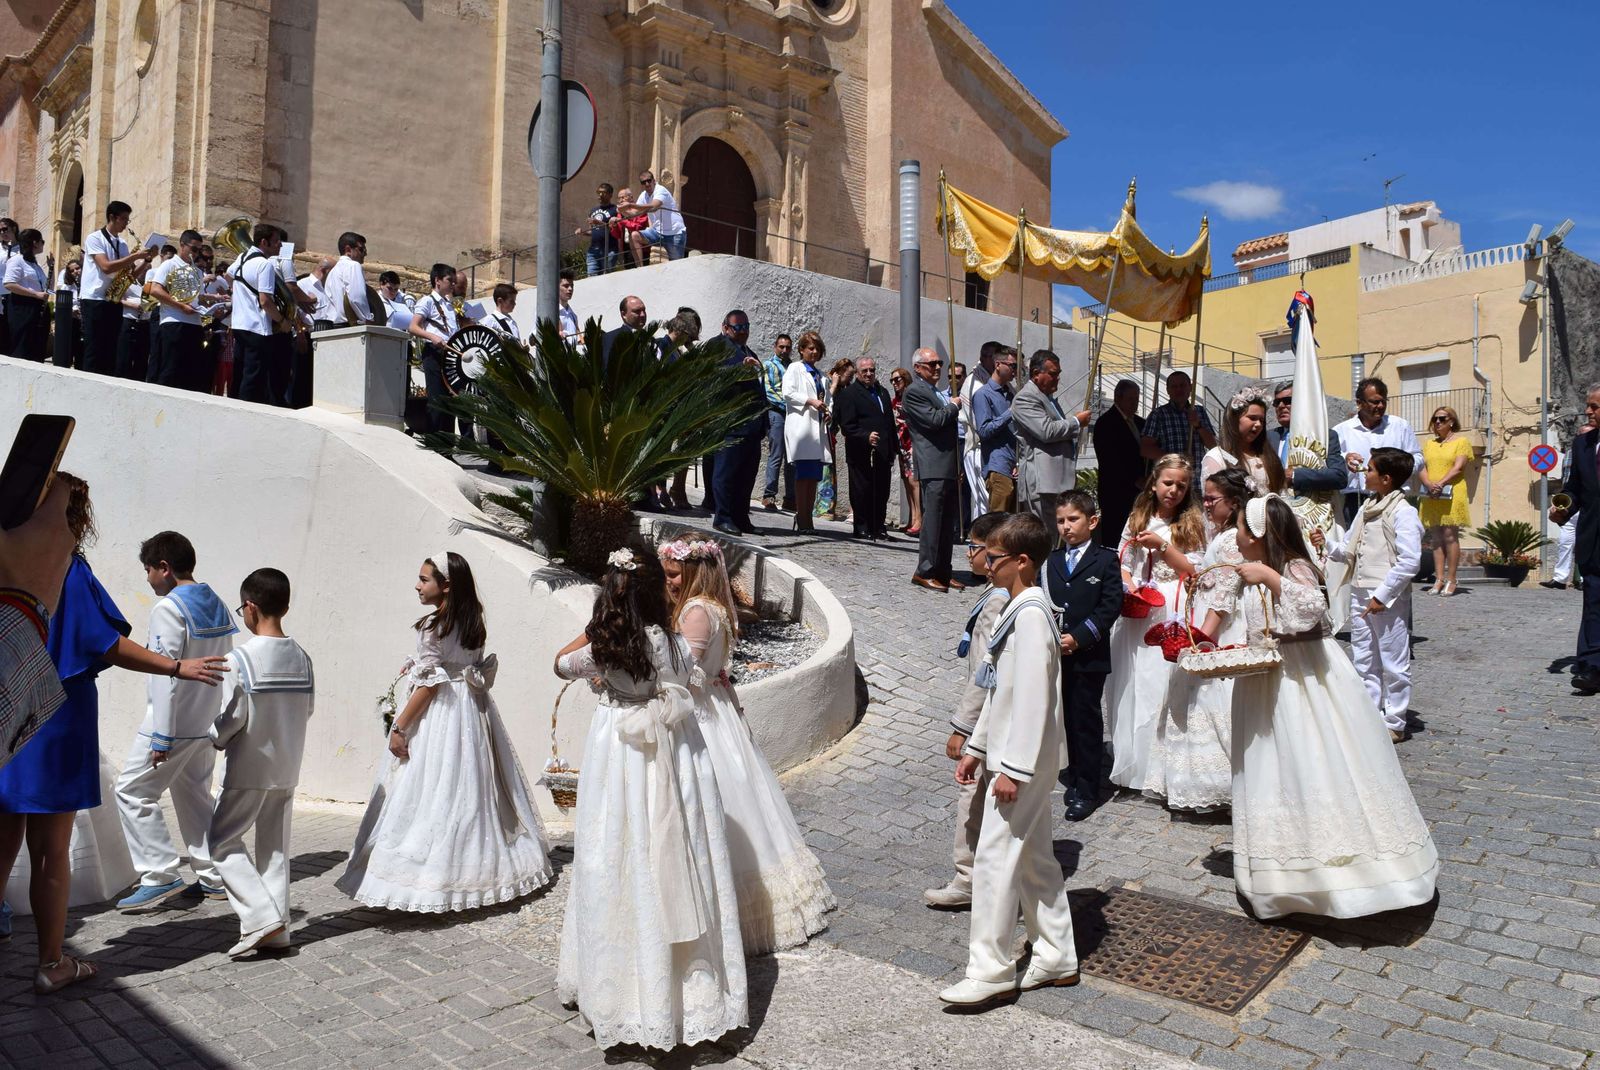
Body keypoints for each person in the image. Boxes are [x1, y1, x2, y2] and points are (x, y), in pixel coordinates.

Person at [1, 477, 223, 993]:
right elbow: (102, 642)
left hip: (8, 703)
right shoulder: (65, 567)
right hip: (55, 714)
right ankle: (53, 961)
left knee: (3, 837)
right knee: (50, 850)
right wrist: (175, 667)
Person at [552, 549, 746, 1049]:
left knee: (619, 851)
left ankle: (623, 990)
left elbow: (559, 665)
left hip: (622, 753)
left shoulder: (605, 649)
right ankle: (690, 995)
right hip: (676, 753)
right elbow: (690, 678)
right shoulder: (677, 644)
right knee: (680, 853)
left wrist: (596, 629)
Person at [1231, 495, 1439, 919]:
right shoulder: (1249, 575)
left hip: (1305, 682)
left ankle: (1346, 873)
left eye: (1239, 527)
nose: (1233, 535)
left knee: (1315, 763)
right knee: (1277, 771)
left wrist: (1270, 576)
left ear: (1258, 535)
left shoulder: (1293, 568)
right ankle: (1283, 875)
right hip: (1267, 680)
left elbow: (1313, 608)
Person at [339, 552, 552, 910]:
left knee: (431, 790)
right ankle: (475, 870)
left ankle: (429, 879)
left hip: (440, 716)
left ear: (446, 586)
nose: (418, 585)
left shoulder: (432, 626)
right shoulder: (473, 622)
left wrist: (401, 727)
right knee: (469, 790)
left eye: (425, 579)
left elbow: (430, 686)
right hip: (470, 713)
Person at [660, 536, 835, 950]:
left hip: (701, 717)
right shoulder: (713, 607)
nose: (666, 582)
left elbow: (683, 675)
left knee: (713, 803)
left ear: (693, 572)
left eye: (672, 574)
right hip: (718, 709)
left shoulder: (696, 612)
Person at [942, 513, 1080, 1006]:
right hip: (1007, 753)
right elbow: (999, 689)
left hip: (1020, 760)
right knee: (1035, 858)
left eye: (994, 558)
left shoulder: (1030, 616)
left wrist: (1013, 770)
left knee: (995, 861)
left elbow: (1033, 701)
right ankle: (1057, 954)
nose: (985, 565)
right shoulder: (1018, 607)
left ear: (1022, 561)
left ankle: (991, 969)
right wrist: (978, 746)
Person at [114, 531, 238, 911]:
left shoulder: (168, 608)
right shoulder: (215, 601)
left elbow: (165, 674)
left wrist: (161, 736)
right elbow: (227, 664)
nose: (147, 578)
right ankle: (214, 876)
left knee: (132, 791)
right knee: (195, 797)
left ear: (164, 568)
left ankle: (159, 873)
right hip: (205, 721)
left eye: (148, 570)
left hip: (171, 723)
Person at [207, 567, 313, 958]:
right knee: (276, 849)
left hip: (249, 768)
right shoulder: (303, 658)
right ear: (284, 606)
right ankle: (278, 931)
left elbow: (233, 718)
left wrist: (214, 736)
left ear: (250, 607)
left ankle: (259, 917)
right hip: (287, 766)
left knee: (220, 841)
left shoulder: (240, 659)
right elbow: (309, 709)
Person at [1144, 467, 1252, 814]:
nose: (1204, 504)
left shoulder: (1231, 539)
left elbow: (1223, 596)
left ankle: (1221, 782)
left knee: (1211, 700)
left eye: (1212, 498)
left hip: (1218, 627)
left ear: (1233, 503)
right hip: (1206, 614)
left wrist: (1202, 639)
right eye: (1203, 496)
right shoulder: (1220, 535)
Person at [925, 512, 1010, 909]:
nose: (970, 555)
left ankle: (968, 877)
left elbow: (984, 672)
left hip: (987, 720)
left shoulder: (999, 601)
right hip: (995, 718)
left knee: (972, 798)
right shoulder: (1000, 592)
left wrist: (962, 728)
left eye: (974, 548)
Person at [1104, 454, 1204, 792]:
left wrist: (1162, 546)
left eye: (1181, 485)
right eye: (1168, 483)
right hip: (1142, 606)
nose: (1173, 490)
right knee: (1134, 683)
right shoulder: (1138, 516)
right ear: (1154, 482)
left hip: (1172, 605)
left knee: (1160, 684)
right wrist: (1130, 585)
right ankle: (1135, 759)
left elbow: (1192, 571)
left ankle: (1161, 763)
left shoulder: (1191, 523)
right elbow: (1124, 559)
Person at [1322, 448, 1424, 741]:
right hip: (1360, 591)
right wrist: (1325, 543)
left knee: (1393, 659)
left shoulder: (1403, 512)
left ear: (1386, 478)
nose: (1364, 473)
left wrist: (1383, 595)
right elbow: (1347, 548)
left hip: (1386, 596)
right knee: (1364, 656)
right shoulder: (1368, 508)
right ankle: (1368, 713)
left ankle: (1395, 720)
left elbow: (1409, 561)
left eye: (1370, 469)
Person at [1039, 492, 1123, 822]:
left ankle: (1088, 789)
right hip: (1057, 653)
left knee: (1085, 720)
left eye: (1073, 519)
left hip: (1088, 655)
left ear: (1092, 521)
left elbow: (1110, 605)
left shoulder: (1105, 560)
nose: (1066, 527)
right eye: (1060, 521)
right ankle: (1073, 776)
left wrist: (1079, 637)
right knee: (1064, 719)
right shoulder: (1052, 562)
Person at [1011, 350, 1091, 540]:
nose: (1057, 378)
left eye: (1058, 373)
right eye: (1053, 373)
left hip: (1055, 481)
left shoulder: (1047, 398)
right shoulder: (1025, 399)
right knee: (1043, 537)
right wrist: (1076, 422)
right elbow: (1045, 431)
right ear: (1036, 374)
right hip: (1042, 482)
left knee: (1055, 536)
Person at [903, 348, 965, 592]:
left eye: (939, 363)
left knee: (947, 521)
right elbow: (935, 420)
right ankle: (925, 570)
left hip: (947, 464)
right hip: (933, 464)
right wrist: (953, 406)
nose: (938, 368)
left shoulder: (934, 391)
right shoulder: (915, 391)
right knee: (933, 521)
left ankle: (942, 570)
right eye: (932, 364)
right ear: (918, 367)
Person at [1555, 385, 1600, 693]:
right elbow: (1575, 489)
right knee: (1594, 602)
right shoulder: (1582, 444)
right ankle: (1591, 666)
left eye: (1595, 406)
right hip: (1593, 537)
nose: (1588, 411)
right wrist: (1564, 505)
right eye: (1588, 405)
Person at [1333, 377, 1424, 526]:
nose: (1381, 406)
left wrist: (1399, 468)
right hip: (1355, 501)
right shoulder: (1341, 431)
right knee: (1355, 545)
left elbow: (1418, 457)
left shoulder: (1400, 426)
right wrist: (1345, 459)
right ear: (1359, 403)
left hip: (1393, 498)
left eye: (1384, 401)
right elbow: (1330, 460)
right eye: (1375, 402)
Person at [708, 310, 767, 538]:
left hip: (752, 425)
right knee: (726, 473)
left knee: (746, 475)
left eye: (746, 327)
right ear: (725, 328)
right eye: (737, 327)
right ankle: (723, 517)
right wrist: (739, 370)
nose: (743, 332)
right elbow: (713, 374)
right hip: (732, 423)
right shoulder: (718, 346)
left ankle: (741, 517)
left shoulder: (748, 352)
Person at [80, 201, 153, 376]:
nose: (126, 224)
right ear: (112, 217)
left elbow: (130, 277)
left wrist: (146, 261)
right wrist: (135, 255)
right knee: (94, 350)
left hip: (113, 300)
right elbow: (105, 267)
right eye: (124, 219)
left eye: (128, 220)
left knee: (111, 351)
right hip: (94, 299)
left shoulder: (121, 244)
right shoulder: (94, 238)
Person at [833, 356, 896, 539]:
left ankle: (878, 526)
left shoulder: (882, 392)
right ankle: (862, 526)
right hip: (860, 451)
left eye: (872, 370)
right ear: (858, 373)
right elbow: (847, 425)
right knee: (862, 490)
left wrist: (893, 447)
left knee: (881, 490)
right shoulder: (849, 394)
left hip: (882, 451)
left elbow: (889, 422)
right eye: (864, 371)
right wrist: (865, 436)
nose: (869, 374)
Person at [229, 222, 291, 405]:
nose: (280, 245)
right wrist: (282, 321)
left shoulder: (242, 257)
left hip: (239, 325)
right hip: (257, 329)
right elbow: (265, 301)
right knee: (253, 380)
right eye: (277, 241)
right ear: (264, 242)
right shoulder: (265, 265)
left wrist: (243, 297)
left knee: (239, 375)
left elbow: (228, 275)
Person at [1418, 405, 1473, 596]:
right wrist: (1429, 484)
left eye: (1442, 418)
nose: (1438, 422)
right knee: (1436, 537)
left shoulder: (1461, 442)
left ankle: (1452, 578)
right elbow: (1421, 466)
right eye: (1435, 419)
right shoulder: (1429, 444)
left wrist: (1440, 483)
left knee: (1450, 535)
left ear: (1452, 421)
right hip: (1432, 493)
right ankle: (1439, 578)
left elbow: (1459, 467)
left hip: (1452, 492)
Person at [1093, 379, 1155, 548]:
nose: (1134, 404)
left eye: (1137, 399)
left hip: (1140, 493)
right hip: (1116, 492)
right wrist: (1134, 479)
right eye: (1130, 399)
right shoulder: (1105, 424)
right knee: (1115, 536)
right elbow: (1110, 460)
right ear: (1118, 398)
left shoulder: (1141, 423)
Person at [1203, 389, 1287, 514]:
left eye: (1262, 420)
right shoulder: (1217, 457)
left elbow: (1282, 498)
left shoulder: (1269, 456)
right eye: (1252, 418)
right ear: (1235, 419)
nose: (1258, 424)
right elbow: (1215, 506)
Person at [145, 230, 209, 391]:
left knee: (191, 375)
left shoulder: (198, 271)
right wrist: (181, 306)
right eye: (193, 249)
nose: (196, 254)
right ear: (182, 245)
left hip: (194, 324)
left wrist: (215, 301)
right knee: (170, 371)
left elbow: (197, 298)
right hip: (174, 322)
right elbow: (155, 290)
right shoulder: (170, 264)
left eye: (199, 250)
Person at [782, 330, 830, 532]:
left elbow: (828, 400)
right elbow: (788, 393)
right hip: (802, 429)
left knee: (814, 477)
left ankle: (807, 517)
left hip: (817, 431)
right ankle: (802, 518)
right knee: (803, 476)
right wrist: (810, 401)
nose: (814, 352)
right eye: (810, 348)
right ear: (801, 350)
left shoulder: (821, 376)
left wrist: (829, 412)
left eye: (818, 349)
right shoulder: (795, 368)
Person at [408, 263, 464, 435]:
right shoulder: (427, 301)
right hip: (434, 352)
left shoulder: (449, 305)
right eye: (450, 280)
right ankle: (434, 443)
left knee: (450, 402)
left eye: (454, 281)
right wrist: (432, 337)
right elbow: (413, 327)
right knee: (437, 400)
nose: (453, 284)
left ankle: (447, 447)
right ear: (437, 280)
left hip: (450, 355)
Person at [1140, 371, 1217, 487]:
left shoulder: (1199, 412)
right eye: (1174, 387)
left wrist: (1198, 425)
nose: (1178, 390)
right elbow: (1145, 448)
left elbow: (1212, 445)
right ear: (1168, 390)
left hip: (1197, 483)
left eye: (1182, 385)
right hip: (1172, 484)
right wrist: (1176, 459)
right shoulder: (1158, 415)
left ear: (1190, 388)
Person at [1267, 382, 1345, 493]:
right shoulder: (1268, 438)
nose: (1280, 406)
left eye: (1288, 401)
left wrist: (1294, 475)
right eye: (1277, 402)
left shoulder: (1325, 436)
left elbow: (1339, 476)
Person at [971, 348, 1018, 512]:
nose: (1015, 371)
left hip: (1013, 464)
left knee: (1013, 524)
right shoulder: (983, 394)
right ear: (998, 364)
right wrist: (1010, 413)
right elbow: (983, 431)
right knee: (998, 522)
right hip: (997, 465)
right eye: (1012, 366)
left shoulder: (1011, 394)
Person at [960, 343, 1001, 522]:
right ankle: (981, 543)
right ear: (985, 358)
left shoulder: (992, 380)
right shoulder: (974, 385)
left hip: (994, 448)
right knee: (983, 499)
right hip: (978, 447)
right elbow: (980, 424)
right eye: (996, 359)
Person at [2, 228, 51, 361]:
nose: (43, 244)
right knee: (22, 348)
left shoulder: (35, 264)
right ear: (35, 243)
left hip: (38, 309)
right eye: (42, 241)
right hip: (23, 308)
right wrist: (35, 294)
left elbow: (45, 287)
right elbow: (9, 284)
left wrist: (50, 267)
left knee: (37, 349)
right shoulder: (17, 260)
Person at [761, 333, 794, 511]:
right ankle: (769, 495)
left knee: (792, 457)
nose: (784, 350)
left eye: (788, 347)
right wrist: (790, 404)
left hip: (793, 415)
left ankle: (790, 498)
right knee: (776, 453)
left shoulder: (794, 367)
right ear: (775, 347)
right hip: (777, 413)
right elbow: (769, 391)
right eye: (781, 347)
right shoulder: (769, 366)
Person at [822, 357, 855, 524]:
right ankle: (822, 507)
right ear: (840, 372)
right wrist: (834, 386)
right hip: (821, 432)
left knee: (829, 471)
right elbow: (825, 402)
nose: (850, 380)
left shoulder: (845, 389)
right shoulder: (828, 382)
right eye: (849, 376)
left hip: (832, 434)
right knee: (824, 471)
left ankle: (828, 506)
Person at [890, 367, 922, 535]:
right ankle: (911, 518)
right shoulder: (895, 400)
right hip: (901, 445)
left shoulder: (911, 397)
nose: (895, 383)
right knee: (906, 482)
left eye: (898, 379)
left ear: (906, 380)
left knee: (914, 481)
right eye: (892, 380)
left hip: (912, 443)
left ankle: (919, 519)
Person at [324, 232, 374, 326]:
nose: (365, 253)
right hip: (349, 327)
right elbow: (357, 296)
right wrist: (367, 319)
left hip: (333, 327)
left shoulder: (332, 273)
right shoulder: (353, 265)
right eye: (361, 249)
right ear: (348, 250)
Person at [636, 169, 688, 261]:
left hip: (674, 233)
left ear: (654, 180)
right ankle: (639, 268)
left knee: (676, 264)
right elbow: (634, 212)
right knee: (635, 236)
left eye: (649, 180)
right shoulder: (644, 195)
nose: (647, 184)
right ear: (641, 185)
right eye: (644, 182)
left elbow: (654, 206)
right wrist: (618, 214)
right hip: (658, 232)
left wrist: (631, 205)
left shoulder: (660, 190)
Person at [576, 183, 620, 276]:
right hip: (593, 250)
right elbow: (592, 231)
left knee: (606, 278)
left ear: (610, 195)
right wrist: (582, 232)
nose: (600, 195)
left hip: (609, 250)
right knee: (591, 278)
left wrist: (598, 223)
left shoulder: (615, 209)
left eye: (603, 193)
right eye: (598, 192)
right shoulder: (593, 210)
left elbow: (616, 228)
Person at [599, 294, 646, 369]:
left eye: (644, 310)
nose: (643, 314)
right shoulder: (610, 338)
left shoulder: (649, 338)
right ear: (624, 314)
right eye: (637, 311)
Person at [951, 362, 972, 531]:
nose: (953, 380)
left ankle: (963, 525)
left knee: (964, 485)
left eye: (957, 377)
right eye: (950, 377)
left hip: (964, 439)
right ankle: (952, 523)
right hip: (949, 442)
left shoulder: (969, 396)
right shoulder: (943, 395)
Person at [611, 187, 652, 270]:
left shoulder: (639, 210)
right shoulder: (620, 215)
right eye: (619, 198)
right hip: (627, 250)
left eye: (623, 197)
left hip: (641, 249)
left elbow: (638, 227)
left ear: (631, 198)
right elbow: (617, 235)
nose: (621, 200)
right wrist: (614, 226)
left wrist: (622, 221)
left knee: (642, 273)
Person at [53, 257, 81, 368]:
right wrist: (72, 311)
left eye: (77, 268)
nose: (75, 272)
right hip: (69, 321)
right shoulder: (66, 286)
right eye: (72, 270)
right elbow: (61, 306)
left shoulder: (83, 284)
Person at [298, 256, 338, 332]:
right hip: (312, 335)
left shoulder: (331, 287)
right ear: (324, 270)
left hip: (333, 333)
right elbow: (296, 315)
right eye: (333, 273)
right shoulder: (301, 285)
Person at [556, 270, 580, 342]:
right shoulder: (549, 312)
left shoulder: (573, 316)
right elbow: (534, 337)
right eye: (566, 286)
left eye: (572, 286)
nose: (570, 289)